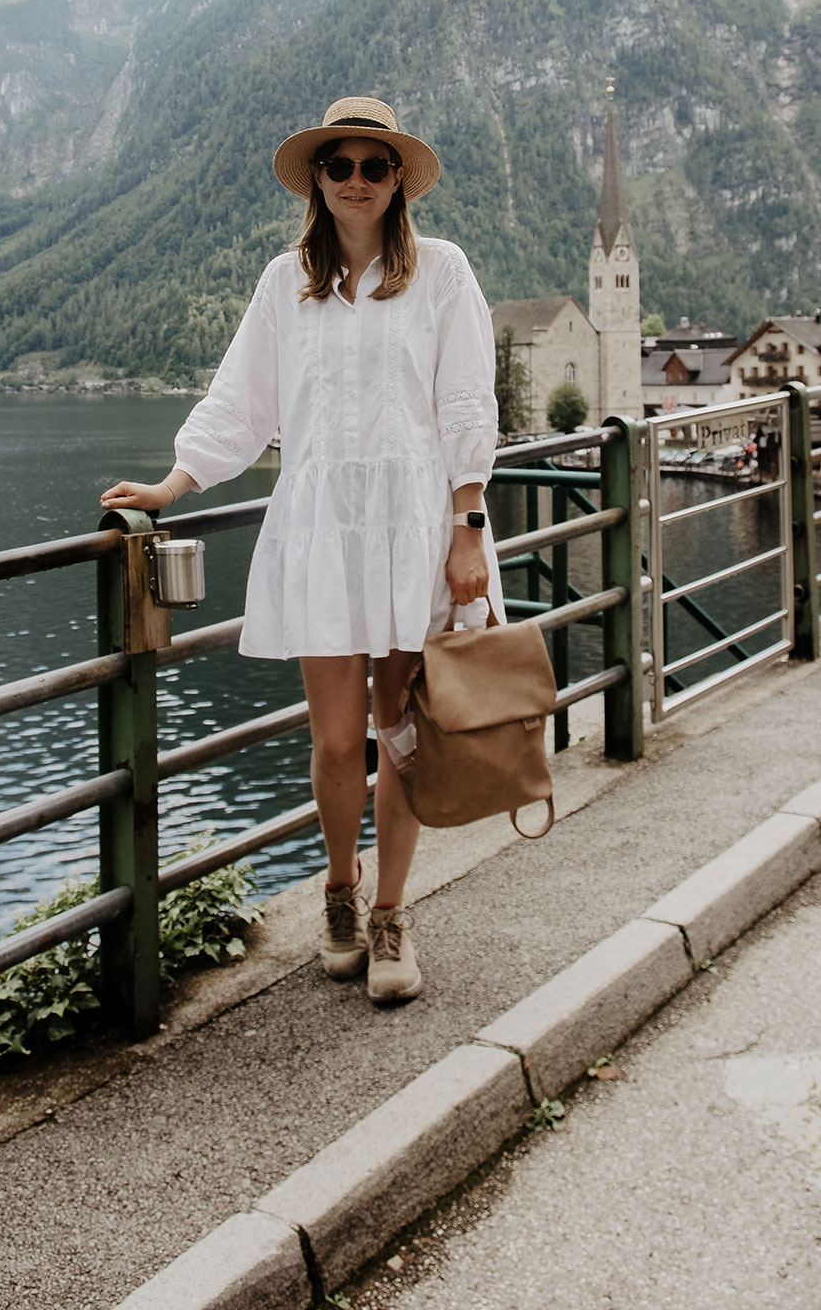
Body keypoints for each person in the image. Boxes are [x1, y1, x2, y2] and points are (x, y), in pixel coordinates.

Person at [100, 95, 504, 1006]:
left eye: (374, 165)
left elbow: (466, 400)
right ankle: (339, 891)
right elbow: (242, 401)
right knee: (333, 739)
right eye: (339, 166)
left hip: (415, 523)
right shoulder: (287, 282)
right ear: (316, 180)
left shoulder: (440, 271)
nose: (355, 181)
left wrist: (466, 527)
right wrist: (174, 485)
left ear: (399, 178)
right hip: (324, 523)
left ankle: (394, 913)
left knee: (399, 731)